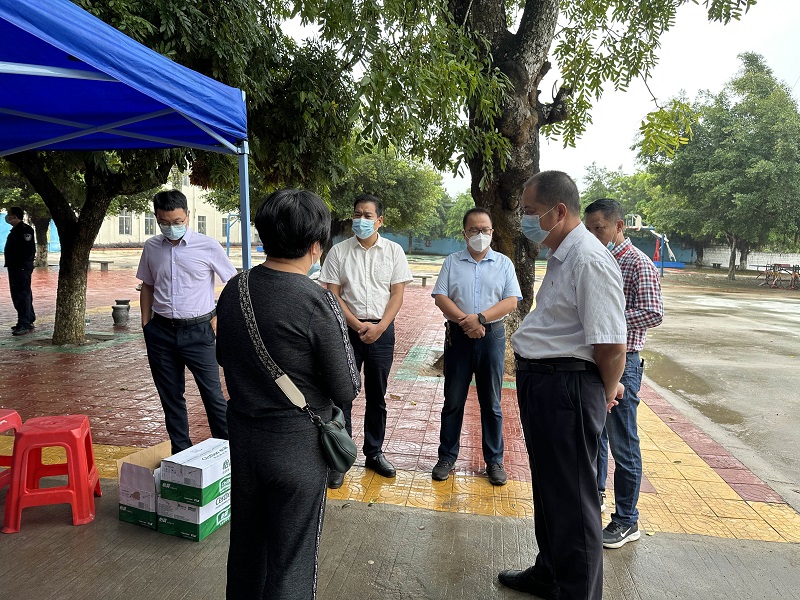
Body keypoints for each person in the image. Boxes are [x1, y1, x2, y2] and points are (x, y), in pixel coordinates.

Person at [216, 189, 360, 600]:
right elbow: (347, 386)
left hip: (245, 441)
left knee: (248, 548)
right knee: (291, 558)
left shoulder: (234, 289)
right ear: (316, 246)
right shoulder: (317, 300)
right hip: (297, 445)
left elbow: (223, 356)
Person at [498, 171, 627, 600]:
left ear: (558, 211)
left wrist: (603, 392)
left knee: (573, 500)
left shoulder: (588, 259)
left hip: (566, 387)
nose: (524, 220)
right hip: (546, 385)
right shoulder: (561, 254)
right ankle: (550, 573)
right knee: (550, 489)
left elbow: (611, 344)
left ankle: (577, 592)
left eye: (529, 211)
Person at [584, 198, 663, 548]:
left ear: (619, 226)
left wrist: (608, 319)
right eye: (589, 229)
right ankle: (597, 496)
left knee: (623, 442)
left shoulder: (637, 262)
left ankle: (627, 520)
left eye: (598, 228)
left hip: (624, 363)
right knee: (597, 435)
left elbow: (653, 312)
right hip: (595, 360)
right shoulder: (597, 259)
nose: (593, 235)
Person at [319, 193, 413, 488]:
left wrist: (380, 327)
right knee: (342, 394)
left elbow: (397, 294)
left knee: (377, 396)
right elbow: (333, 293)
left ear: (379, 220)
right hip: (347, 330)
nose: (361, 220)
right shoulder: (339, 251)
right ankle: (341, 458)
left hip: (382, 332)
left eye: (367, 215)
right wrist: (358, 325)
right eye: (357, 214)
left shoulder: (394, 251)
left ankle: (374, 453)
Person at [136, 190, 235, 454]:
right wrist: (146, 325)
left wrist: (219, 316)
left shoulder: (208, 246)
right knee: (171, 398)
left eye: (178, 221)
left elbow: (233, 283)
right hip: (161, 333)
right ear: (157, 218)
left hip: (200, 332)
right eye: (165, 222)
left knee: (213, 396)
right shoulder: (152, 247)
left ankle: (228, 452)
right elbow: (147, 285)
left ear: (188, 216)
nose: (172, 227)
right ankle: (181, 454)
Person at [431, 207, 522, 486]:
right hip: (458, 338)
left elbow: (511, 301)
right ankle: (447, 457)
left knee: (491, 403)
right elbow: (440, 296)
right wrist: (467, 322)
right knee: (453, 400)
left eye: (485, 230)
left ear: (492, 232)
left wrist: (480, 319)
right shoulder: (452, 262)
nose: (480, 234)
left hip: (492, 337)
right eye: (474, 229)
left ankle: (494, 461)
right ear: (464, 233)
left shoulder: (504, 263)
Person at [4, 207, 36, 336]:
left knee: (21, 295)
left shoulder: (25, 230)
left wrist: (23, 266)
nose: (7, 217)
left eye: (9, 214)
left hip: (21, 267)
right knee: (22, 294)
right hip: (15, 267)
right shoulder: (16, 230)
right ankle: (28, 319)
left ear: (15, 216)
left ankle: (24, 324)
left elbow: (29, 250)